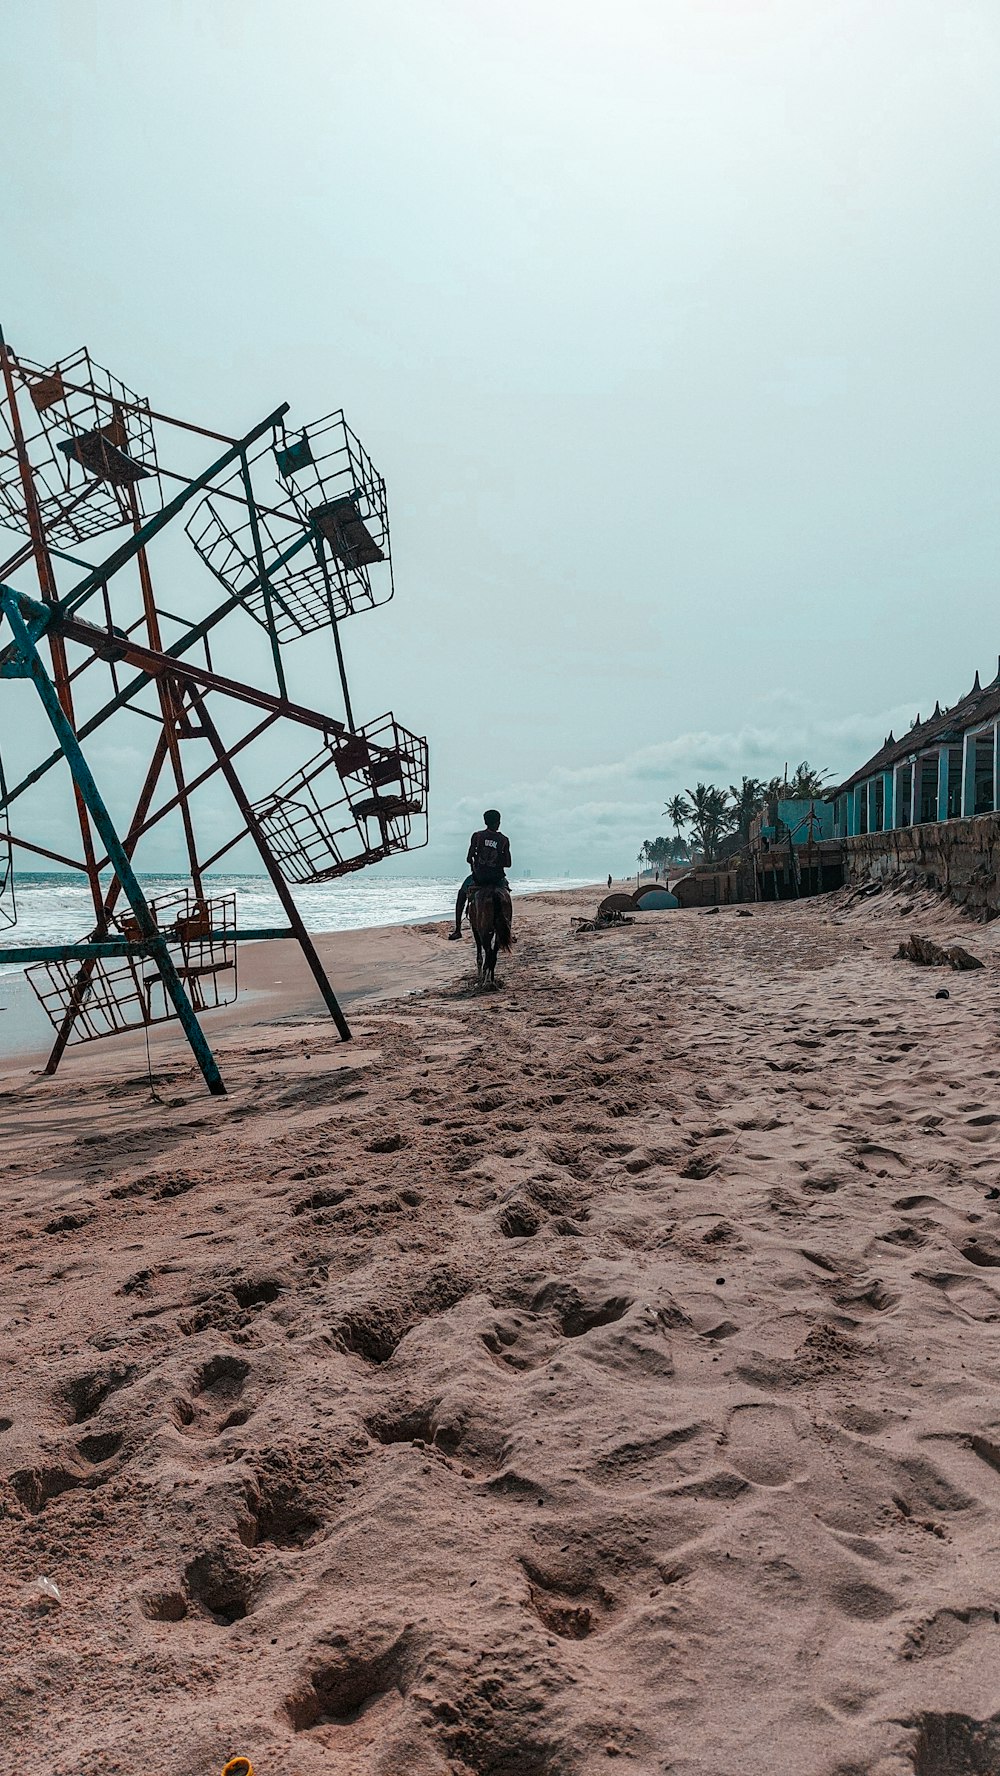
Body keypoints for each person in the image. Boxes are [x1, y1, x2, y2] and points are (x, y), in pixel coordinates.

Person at [450, 809, 512, 938]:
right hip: (497, 879)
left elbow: (468, 858)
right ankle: (509, 930)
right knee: (507, 898)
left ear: (485, 822)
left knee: (461, 896)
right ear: (499, 822)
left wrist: (475, 868)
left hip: (479, 878)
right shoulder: (504, 840)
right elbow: (508, 863)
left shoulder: (477, 836)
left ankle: (458, 930)